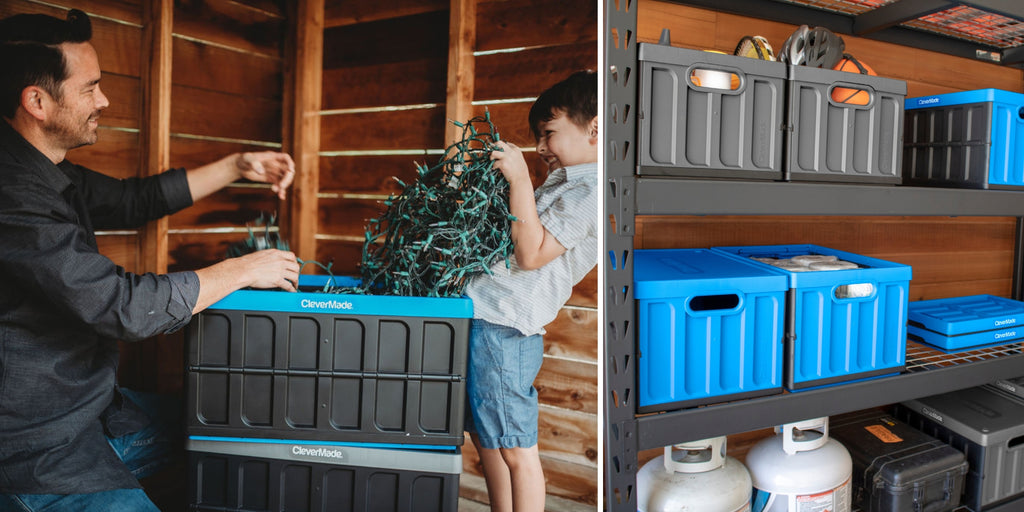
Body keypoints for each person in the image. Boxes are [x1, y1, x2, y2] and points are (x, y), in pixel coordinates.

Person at [0, 9, 301, 511]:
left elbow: (135, 201)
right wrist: (245, 268)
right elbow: (123, 306)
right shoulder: (13, 194)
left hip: (96, 413)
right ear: (37, 102)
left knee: (226, 425)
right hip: (38, 452)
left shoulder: (48, 170)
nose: (104, 100)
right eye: (90, 88)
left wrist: (237, 165)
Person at [464, 70, 599, 511]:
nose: (540, 147)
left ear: (595, 129)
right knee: (490, 440)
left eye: (549, 134)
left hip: (506, 328)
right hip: (485, 318)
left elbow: (532, 254)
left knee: (516, 448)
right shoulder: (565, 184)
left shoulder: (591, 193)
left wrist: (520, 180)